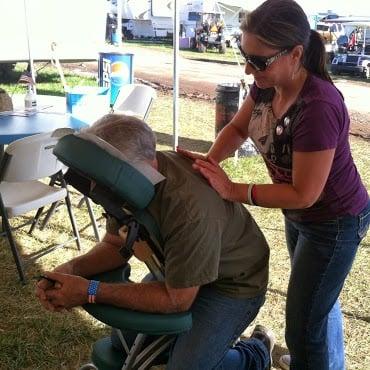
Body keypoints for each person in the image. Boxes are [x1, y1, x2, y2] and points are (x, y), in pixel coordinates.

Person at [177, 1, 370, 369]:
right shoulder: (267, 86)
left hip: (334, 221)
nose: (250, 69)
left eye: (260, 61)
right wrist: (210, 163)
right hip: (301, 216)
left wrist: (234, 190)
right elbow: (236, 128)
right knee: (315, 302)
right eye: (245, 55)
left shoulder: (318, 106)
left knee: (302, 328)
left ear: (295, 53)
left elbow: (305, 193)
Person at [36, 114, 275, 370]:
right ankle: (192, 344)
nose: (95, 184)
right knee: (122, 340)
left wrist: (89, 291)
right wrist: (72, 270)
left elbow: (176, 300)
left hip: (231, 283)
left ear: (142, 166)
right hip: (179, 271)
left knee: (185, 367)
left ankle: (256, 353)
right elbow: (115, 246)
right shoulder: (128, 179)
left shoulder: (188, 207)